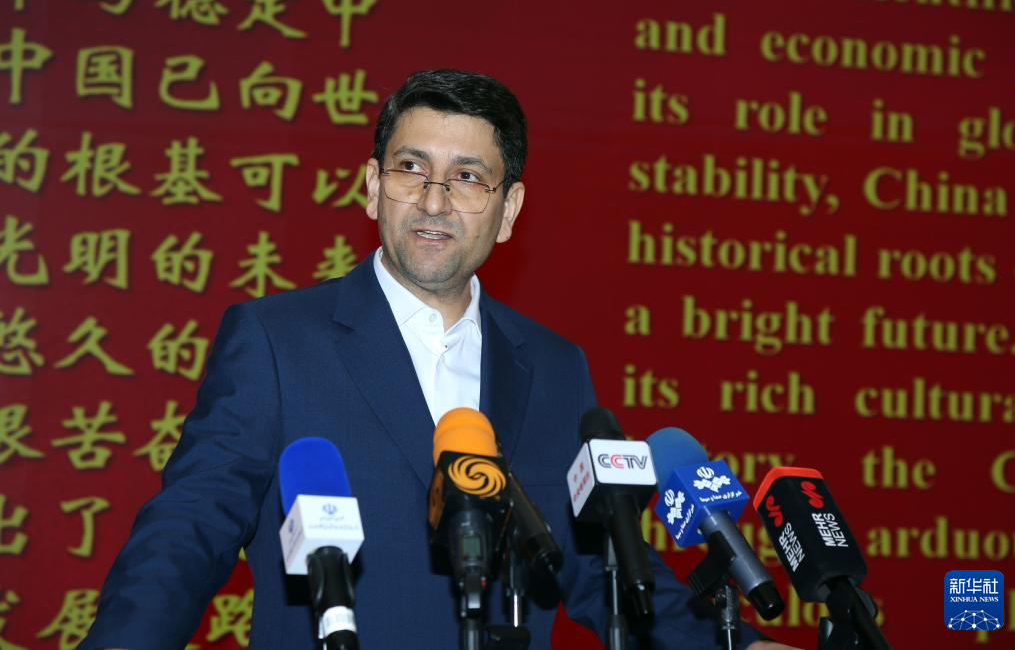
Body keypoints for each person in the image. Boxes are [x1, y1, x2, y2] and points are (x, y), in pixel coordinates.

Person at [82, 70, 794, 649]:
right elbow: (191, 526)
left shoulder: (554, 366)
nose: (433, 199)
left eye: (468, 177)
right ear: (373, 186)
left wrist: (739, 645)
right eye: (411, 168)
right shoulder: (277, 339)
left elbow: (599, 565)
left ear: (509, 210)